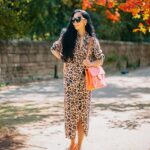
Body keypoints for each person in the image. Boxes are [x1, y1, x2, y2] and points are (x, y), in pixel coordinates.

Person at [50, 9, 105, 150]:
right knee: (70, 115)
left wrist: (91, 64)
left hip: (85, 83)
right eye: (73, 20)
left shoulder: (92, 41)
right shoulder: (67, 36)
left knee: (82, 116)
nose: (74, 22)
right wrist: (63, 58)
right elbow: (53, 48)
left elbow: (100, 59)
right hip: (69, 83)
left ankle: (79, 146)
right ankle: (72, 142)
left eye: (78, 19)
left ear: (85, 21)